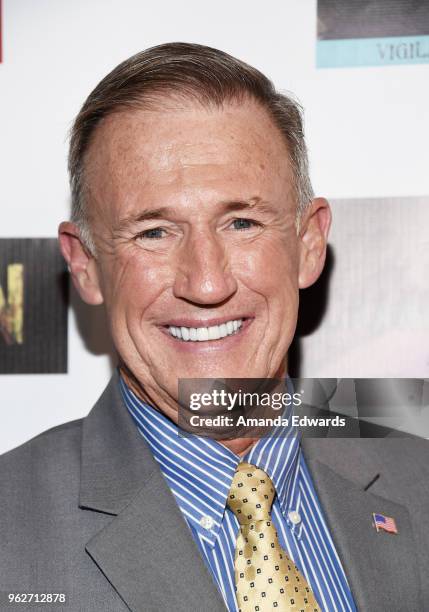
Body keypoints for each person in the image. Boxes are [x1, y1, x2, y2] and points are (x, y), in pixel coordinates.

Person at [0, 42, 427, 612]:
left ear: (308, 244)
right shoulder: (12, 532)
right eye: (154, 232)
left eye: (242, 222)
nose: (206, 283)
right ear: (85, 265)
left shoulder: (419, 483)